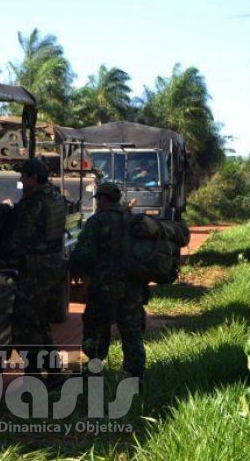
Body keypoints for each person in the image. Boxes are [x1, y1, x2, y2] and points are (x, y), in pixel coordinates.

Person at [69, 182, 147, 380]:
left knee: (97, 326)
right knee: (131, 330)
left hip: (104, 286)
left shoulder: (98, 221)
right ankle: (136, 373)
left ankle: (94, 368)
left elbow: (83, 255)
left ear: (103, 199)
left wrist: (73, 269)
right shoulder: (133, 220)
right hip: (133, 286)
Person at [9, 158, 67, 376]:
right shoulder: (55, 197)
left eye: (24, 176)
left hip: (35, 271)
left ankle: (33, 376)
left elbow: (18, 241)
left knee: (26, 327)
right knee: (42, 324)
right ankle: (53, 375)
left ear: (34, 178)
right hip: (52, 268)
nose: (22, 180)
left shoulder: (33, 203)